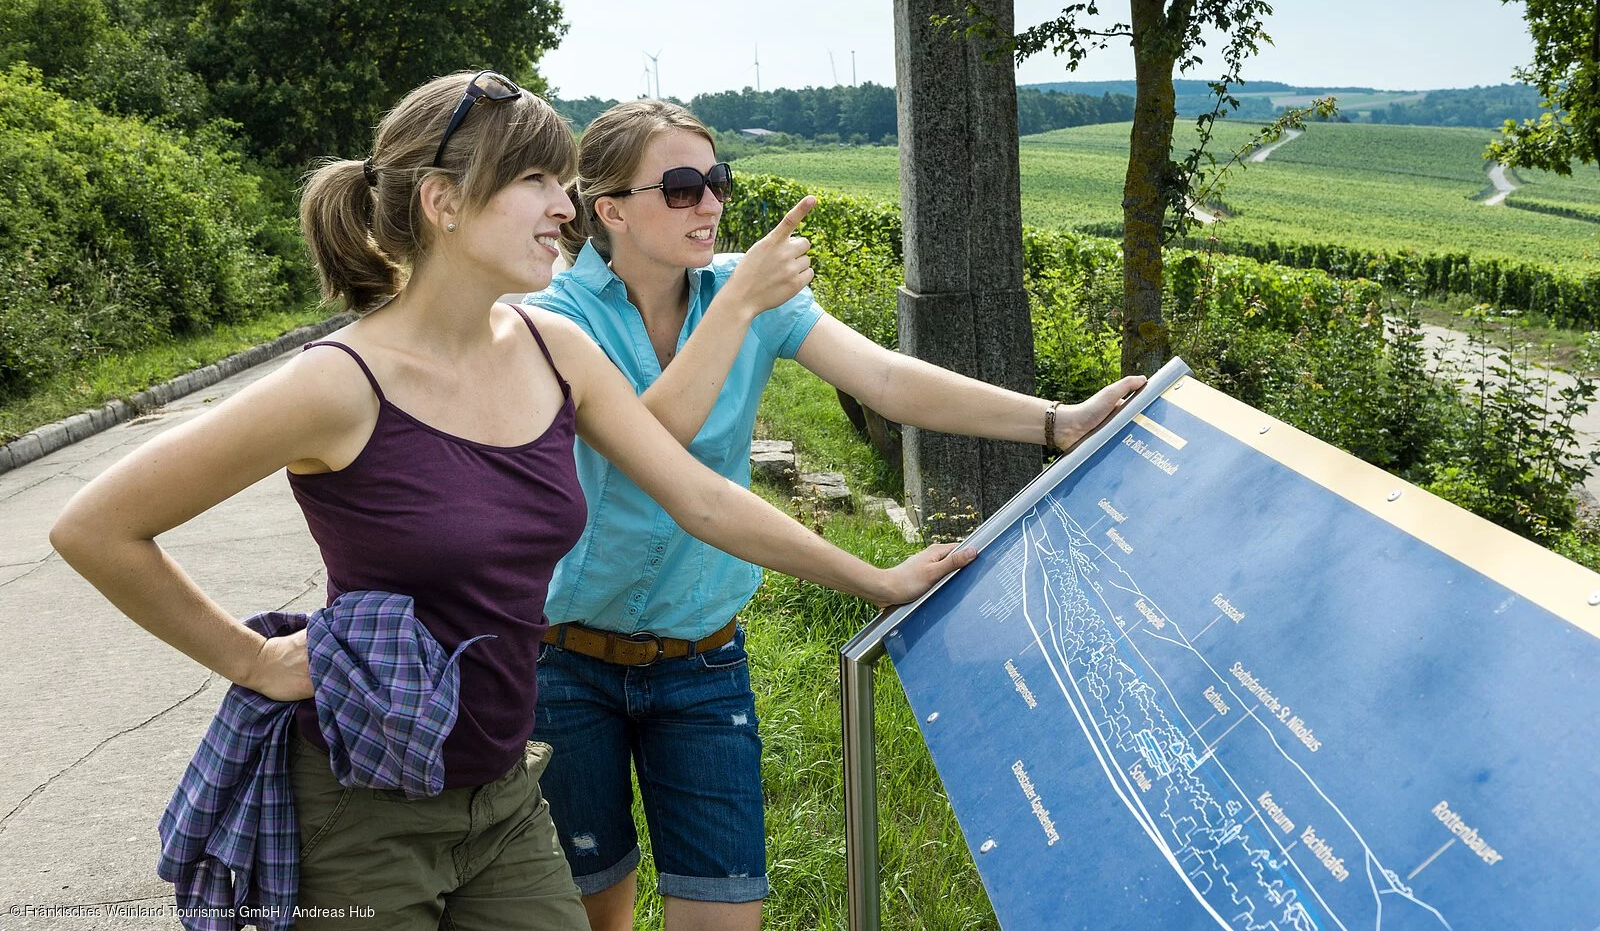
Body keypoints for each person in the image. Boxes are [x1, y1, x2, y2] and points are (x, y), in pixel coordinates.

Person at [48, 73, 973, 931]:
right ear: (442, 201)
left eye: (564, 181)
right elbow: (95, 526)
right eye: (535, 179)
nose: (566, 208)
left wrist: (876, 579)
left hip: (503, 794)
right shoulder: (337, 383)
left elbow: (698, 497)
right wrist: (250, 656)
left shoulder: (553, 349)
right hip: (363, 802)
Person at [527, 98, 1146, 931]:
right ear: (609, 209)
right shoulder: (555, 318)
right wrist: (740, 303)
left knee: (723, 916)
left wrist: (1053, 421)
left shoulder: (745, 291)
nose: (710, 203)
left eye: (717, 180)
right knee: (594, 912)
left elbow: (885, 379)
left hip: (700, 662)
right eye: (681, 187)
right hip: (566, 663)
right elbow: (650, 441)